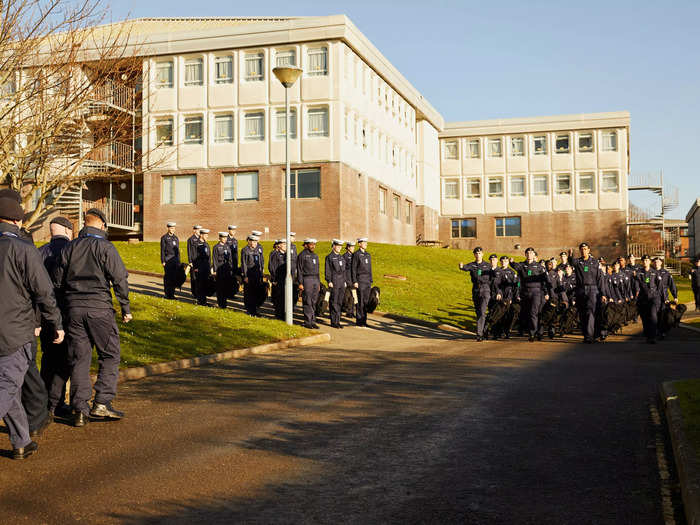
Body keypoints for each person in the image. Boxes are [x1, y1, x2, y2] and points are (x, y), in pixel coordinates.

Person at [0, 197, 64, 459]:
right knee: (6, 386)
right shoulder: (23, 248)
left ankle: (22, 442)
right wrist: (56, 323)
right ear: (18, 220)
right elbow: (43, 291)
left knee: (9, 387)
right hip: (15, 332)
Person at [55, 208, 131, 427]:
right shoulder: (106, 247)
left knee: (80, 357)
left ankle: (79, 408)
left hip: (73, 310)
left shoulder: (69, 248)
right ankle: (102, 402)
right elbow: (119, 280)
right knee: (109, 354)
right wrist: (125, 308)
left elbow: (58, 282)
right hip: (99, 308)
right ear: (103, 226)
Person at [38, 216, 73, 418]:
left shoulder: (39, 252)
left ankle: (43, 402)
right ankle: (56, 402)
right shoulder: (73, 250)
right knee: (65, 361)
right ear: (68, 231)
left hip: (44, 315)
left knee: (48, 358)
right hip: (67, 312)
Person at [569, 242, 607, 344]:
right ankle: (586, 335)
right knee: (582, 313)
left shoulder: (595, 262)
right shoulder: (578, 262)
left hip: (592, 289)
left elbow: (600, 278)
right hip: (581, 290)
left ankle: (590, 335)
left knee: (590, 312)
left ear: (589, 250)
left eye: (585, 249)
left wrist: (602, 293)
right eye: (581, 249)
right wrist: (570, 256)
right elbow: (571, 262)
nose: (583, 250)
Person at [511, 247, 550, 342]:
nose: (529, 254)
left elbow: (544, 281)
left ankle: (533, 333)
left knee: (534, 312)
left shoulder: (539, 266)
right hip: (525, 292)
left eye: (531, 253)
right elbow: (515, 266)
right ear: (525, 254)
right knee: (527, 313)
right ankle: (533, 331)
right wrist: (511, 262)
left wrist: (546, 292)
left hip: (536, 292)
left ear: (534, 255)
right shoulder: (522, 265)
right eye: (527, 253)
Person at [459, 247, 495, 341]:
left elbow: (494, 277)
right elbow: (465, 268)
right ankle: (484, 329)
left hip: (485, 289)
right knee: (478, 311)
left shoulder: (488, 265)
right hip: (475, 289)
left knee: (482, 312)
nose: (478, 255)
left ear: (482, 254)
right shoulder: (472, 265)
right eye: (476, 253)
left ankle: (479, 334)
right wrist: (461, 267)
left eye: (479, 253)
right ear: (474, 255)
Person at [488, 256, 520, 339]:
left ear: (508, 262)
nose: (504, 262)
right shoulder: (498, 271)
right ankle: (496, 333)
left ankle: (506, 332)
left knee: (507, 316)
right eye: (502, 261)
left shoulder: (512, 272)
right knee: (498, 314)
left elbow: (516, 285)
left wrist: (515, 296)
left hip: (508, 295)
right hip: (499, 295)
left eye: (505, 261)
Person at [633, 254, 662, 344]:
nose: (645, 262)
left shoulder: (655, 272)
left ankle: (653, 336)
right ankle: (648, 335)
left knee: (653, 316)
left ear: (650, 261)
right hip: (643, 298)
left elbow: (659, 285)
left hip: (653, 297)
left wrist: (659, 297)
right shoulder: (638, 273)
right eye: (644, 260)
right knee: (645, 318)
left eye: (647, 260)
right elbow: (636, 285)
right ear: (642, 262)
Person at [297, 238, 321, 329]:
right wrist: (300, 283)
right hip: (307, 279)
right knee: (307, 301)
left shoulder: (315, 255)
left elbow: (318, 270)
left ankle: (313, 321)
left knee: (314, 301)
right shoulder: (302, 255)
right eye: (311, 244)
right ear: (306, 245)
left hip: (315, 279)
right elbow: (299, 270)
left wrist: (318, 283)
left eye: (314, 244)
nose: (313, 246)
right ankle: (307, 321)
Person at [654, 257, 678, 339]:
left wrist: (675, 296)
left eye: (658, 261)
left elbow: (672, 285)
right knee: (655, 315)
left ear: (661, 263)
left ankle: (663, 331)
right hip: (654, 297)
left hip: (664, 298)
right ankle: (656, 330)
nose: (656, 263)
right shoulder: (651, 272)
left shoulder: (666, 273)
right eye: (655, 261)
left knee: (663, 315)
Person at [351, 237, 373, 327]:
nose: (366, 244)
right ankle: (359, 320)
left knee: (366, 301)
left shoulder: (368, 255)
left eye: (366, 242)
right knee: (360, 301)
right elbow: (353, 269)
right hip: (360, 280)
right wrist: (355, 281)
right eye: (364, 243)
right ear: (359, 244)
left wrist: (371, 280)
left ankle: (364, 320)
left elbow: (370, 269)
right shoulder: (356, 254)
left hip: (367, 281)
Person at [325, 239, 347, 329]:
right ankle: (333, 321)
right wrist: (329, 281)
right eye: (338, 246)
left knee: (339, 302)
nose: (339, 248)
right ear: (333, 246)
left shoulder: (341, 257)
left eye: (340, 246)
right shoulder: (329, 257)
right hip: (334, 281)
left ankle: (338, 321)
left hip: (342, 282)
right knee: (334, 301)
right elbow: (328, 270)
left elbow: (344, 271)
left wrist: (345, 281)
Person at [241, 234, 264, 316]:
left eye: (256, 241)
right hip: (249, 275)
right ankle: (249, 310)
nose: (255, 243)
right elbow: (244, 264)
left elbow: (261, 262)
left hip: (257, 274)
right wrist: (245, 276)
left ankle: (254, 310)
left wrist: (261, 273)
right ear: (249, 241)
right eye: (253, 241)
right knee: (249, 293)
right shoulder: (245, 250)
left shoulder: (258, 250)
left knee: (256, 292)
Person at [212, 232, 234, 309]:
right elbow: (214, 259)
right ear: (220, 238)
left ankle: (224, 303)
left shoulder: (227, 247)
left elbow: (230, 259)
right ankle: (220, 303)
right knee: (220, 287)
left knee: (225, 286)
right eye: (223, 238)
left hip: (226, 269)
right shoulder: (216, 247)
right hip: (220, 268)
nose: (225, 239)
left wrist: (231, 268)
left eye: (225, 238)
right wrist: (215, 270)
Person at [160, 222, 180, 299]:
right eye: (171, 228)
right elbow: (162, 250)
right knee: (168, 278)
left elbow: (177, 251)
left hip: (175, 260)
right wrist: (163, 261)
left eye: (174, 228)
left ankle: (172, 294)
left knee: (174, 278)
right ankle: (167, 294)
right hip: (168, 260)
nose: (173, 230)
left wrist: (179, 261)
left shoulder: (176, 238)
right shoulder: (164, 238)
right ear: (168, 228)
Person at [268, 240, 286, 320]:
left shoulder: (286, 255)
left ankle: (283, 314)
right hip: (279, 279)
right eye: (283, 244)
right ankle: (279, 315)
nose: (285, 245)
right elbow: (273, 267)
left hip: (285, 279)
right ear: (279, 246)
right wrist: (274, 279)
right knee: (279, 298)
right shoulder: (276, 255)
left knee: (284, 298)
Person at [193, 229, 211, 306]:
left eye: (207, 235)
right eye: (206, 235)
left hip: (206, 267)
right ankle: (200, 301)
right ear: (201, 235)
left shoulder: (206, 244)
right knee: (200, 285)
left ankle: (204, 301)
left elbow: (209, 257)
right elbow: (194, 256)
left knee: (204, 284)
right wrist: (196, 267)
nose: (207, 236)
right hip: (199, 268)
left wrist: (209, 267)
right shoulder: (196, 244)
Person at [187, 225, 203, 300]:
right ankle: (194, 292)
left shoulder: (200, 239)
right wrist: (190, 261)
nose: (200, 231)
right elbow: (189, 251)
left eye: (200, 229)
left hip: (199, 261)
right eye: (198, 230)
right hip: (193, 261)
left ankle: (198, 291)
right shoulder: (191, 239)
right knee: (193, 277)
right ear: (194, 230)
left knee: (198, 277)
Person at [343, 241, 356, 317]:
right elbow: (343, 269)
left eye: (354, 247)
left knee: (353, 296)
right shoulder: (345, 256)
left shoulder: (354, 256)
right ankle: (348, 310)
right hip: (347, 278)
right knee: (347, 296)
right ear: (348, 247)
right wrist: (344, 280)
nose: (353, 248)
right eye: (352, 247)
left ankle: (351, 311)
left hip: (353, 279)